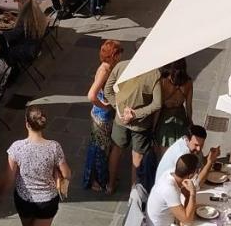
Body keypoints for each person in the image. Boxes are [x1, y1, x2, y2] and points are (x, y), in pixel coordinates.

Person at [6, 107, 71, 226]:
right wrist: (57, 173)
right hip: (48, 200)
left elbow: (10, 176)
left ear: (27, 124)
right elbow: (67, 174)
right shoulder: (54, 148)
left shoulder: (16, 148)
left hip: (24, 198)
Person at [105, 59, 162, 190]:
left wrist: (119, 109)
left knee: (116, 150)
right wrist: (135, 114)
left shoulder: (120, 66)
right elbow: (157, 104)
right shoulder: (154, 74)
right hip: (141, 125)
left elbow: (108, 90)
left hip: (120, 120)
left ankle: (111, 185)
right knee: (137, 156)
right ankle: (133, 192)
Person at [83, 40, 122, 194]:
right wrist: (104, 105)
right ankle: (95, 180)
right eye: (119, 53)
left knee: (102, 147)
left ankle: (101, 177)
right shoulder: (104, 70)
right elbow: (91, 95)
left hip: (105, 114)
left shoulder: (109, 68)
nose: (120, 56)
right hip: (101, 116)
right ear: (113, 55)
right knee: (99, 149)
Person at [154, 124, 220, 184]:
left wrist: (210, 157)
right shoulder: (183, 154)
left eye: (201, 145)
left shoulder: (189, 145)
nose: (199, 149)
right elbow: (195, 185)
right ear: (187, 139)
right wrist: (210, 162)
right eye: (196, 145)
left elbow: (200, 163)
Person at [154, 60, 195, 153]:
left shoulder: (163, 81)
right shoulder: (188, 82)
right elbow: (188, 105)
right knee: (178, 151)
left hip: (165, 118)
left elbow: (158, 106)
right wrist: (190, 121)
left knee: (163, 153)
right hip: (180, 116)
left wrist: (154, 126)